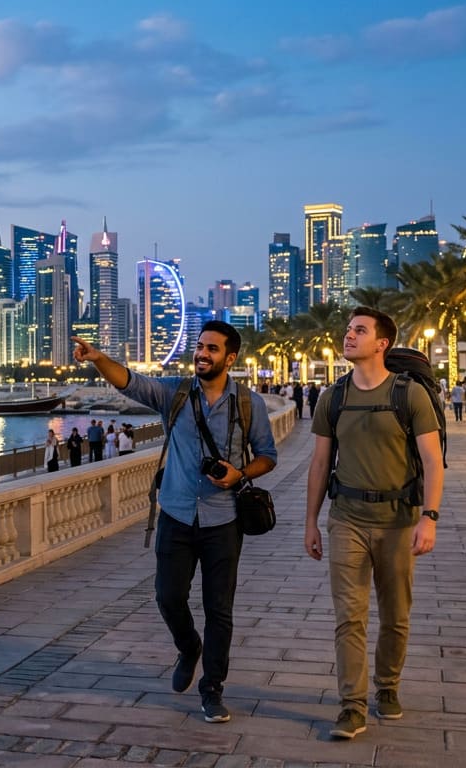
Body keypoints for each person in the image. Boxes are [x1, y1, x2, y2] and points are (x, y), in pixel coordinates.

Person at [72, 321, 278, 725]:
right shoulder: (175, 394)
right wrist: (97, 359)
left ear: (230, 358)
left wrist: (239, 474)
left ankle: (212, 689)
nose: (202, 353)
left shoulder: (248, 403)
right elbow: (129, 382)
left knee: (219, 609)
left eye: (212, 349)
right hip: (176, 514)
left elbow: (268, 455)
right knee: (168, 596)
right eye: (199, 346)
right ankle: (188, 646)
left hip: (224, 519)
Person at [304, 307, 443, 740]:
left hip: (398, 521)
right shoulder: (333, 397)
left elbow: (433, 461)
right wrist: (310, 522)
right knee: (349, 617)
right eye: (348, 329)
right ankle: (352, 705)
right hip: (346, 519)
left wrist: (429, 518)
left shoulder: (409, 395)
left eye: (359, 331)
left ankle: (388, 686)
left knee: (396, 615)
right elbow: (320, 462)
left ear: (382, 343)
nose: (349, 336)